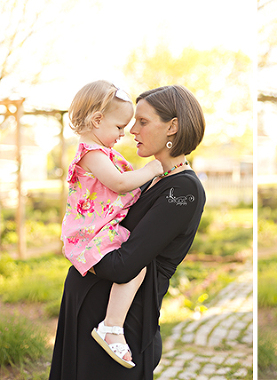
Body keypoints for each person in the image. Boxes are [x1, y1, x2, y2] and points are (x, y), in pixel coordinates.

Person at [50, 84, 206, 380]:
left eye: (143, 122)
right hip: (88, 307)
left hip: (123, 320)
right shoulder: (152, 178)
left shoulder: (183, 189)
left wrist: (80, 257)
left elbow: (124, 265)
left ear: (172, 127)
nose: (132, 130)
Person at [60, 80, 163, 368]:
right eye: (119, 127)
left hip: (99, 228)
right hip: (90, 234)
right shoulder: (91, 153)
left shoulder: (101, 152)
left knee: (136, 264)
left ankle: (113, 324)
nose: (124, 134)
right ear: (96, 120)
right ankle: (112, 326)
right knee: (135, 265)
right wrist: (152, 168)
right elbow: (118, 183)